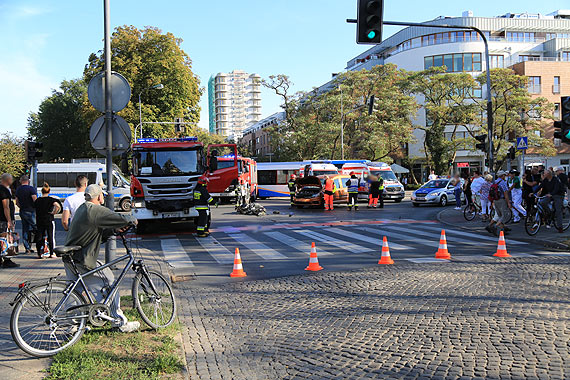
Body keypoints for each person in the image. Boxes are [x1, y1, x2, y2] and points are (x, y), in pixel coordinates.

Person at [64, 184, 139, 333]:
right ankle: (118, 322)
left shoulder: (82, 209)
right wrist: (132, 220)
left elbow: (93, 231)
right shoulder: (94, 210)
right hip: (83, 259)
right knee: (109, 282)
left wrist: (113, 230)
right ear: (99, 196)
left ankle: (72, 325)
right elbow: (118, 217)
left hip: (70, 257)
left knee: (74, 291)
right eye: (102, 196)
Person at [34, 183, 60, 258]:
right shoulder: (51, 199)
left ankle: (40, 253)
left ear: (42, 192)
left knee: (39, 236)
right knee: (50, 236)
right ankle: (52, 252)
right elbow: (57, 206)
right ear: (49, 192)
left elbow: (34, 208)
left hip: (39, 220)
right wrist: (54, 212)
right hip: (49, 219)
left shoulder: (38, 200)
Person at [15, 175, 37, 254]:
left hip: (23, 211)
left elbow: (17, 202)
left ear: (21, 181)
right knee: (36, 227)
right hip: (31, 211)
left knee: (25, 229)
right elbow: (35, 199)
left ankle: (27, 247)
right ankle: (41, 244)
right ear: (28, 181)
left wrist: (21, 207)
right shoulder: (31, 189)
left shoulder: (18, 189)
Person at [0, 173, 18, 268]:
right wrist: (9, 221)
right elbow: (6, 207)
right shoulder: (4, 191)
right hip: (3, 219)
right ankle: (7, 260)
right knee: (5, 239)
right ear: (7, 180)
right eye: (11, 179)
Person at [486, 171, 512, 236]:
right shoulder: (503, 182)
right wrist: (508, 202)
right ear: (502, 176)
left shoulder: (495, 182)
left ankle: (502, 230)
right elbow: (505, 193)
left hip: (495, 200)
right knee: (504, 215)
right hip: (501, 200)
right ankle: (496, 226)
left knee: (499, 214)